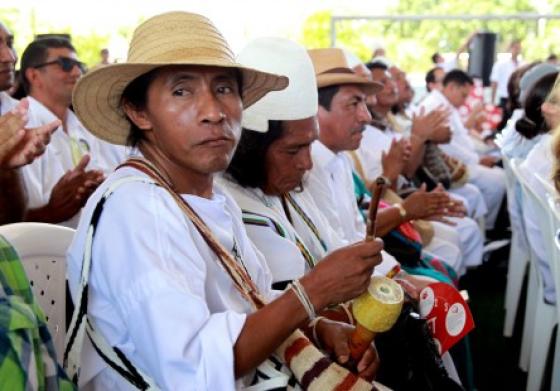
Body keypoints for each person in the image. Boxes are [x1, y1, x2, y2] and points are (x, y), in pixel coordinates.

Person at [66, 12, 384, 389]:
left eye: (224, 89)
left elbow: (253, 302)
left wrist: (316, 326)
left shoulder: (206, 196)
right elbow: (195, 369)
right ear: (139, 112)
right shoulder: (139, 207)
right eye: (182, 91)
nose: (214, 112)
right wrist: (313, 292)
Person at [19, 37, 127, 227]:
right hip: (41, 250)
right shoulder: (22, 126)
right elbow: (15, 217)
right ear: (34, 75)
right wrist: (55, 209)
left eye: (79, 65)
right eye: (65, 64)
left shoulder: (86, 125)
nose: (77, 72)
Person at [419, 69, 507, 231]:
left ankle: (485, 227)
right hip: (449, 166)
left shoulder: (445, 104)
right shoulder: (436, 106)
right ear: (452, 87)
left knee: (499, 177)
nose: (465, 100)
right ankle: (488, 228)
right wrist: (477, 160)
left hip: (462, 161)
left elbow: (459, 139)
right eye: (464, 95)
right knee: (498, 182)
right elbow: (447, 146)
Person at [0, 22, 57, 224]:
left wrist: (7, 171)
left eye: (10, 43)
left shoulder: (25, 115)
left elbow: (13, 226)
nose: (10, 57)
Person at [490, 39, 523, 129]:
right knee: (502, 121)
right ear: (511, 48)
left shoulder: (522, 64)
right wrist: (492, 100)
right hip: (504, 97)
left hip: (517, 98)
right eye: (515, 47)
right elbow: (494, 82)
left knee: (514, 122)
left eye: (519, 48)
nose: (517, 50)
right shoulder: (501, 64)